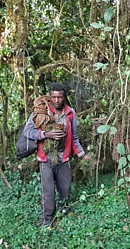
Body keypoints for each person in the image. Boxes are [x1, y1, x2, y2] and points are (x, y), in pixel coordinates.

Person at [22, 82, 91, 228]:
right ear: (50, 96)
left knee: (65, 188)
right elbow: (27, 132)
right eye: (54, 97)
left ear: (64, 97)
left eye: (60, 97)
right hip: (45, 158)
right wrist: (46, 134)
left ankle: (64, 210)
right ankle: (47, 221)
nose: (57, 100)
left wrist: (82, 154)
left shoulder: (70, 113)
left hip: (63, 157)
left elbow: (74, 138)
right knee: (48, 192)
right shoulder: (41, 111)